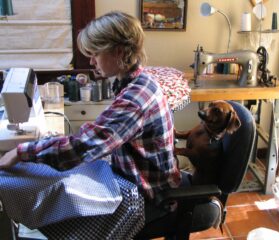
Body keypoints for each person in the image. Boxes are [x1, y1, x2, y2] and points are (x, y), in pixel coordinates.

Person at [0, 11, 181, 202]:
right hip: (139, 175)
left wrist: (21, 151)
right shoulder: (137, 81)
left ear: (118, 51)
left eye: (95, 53)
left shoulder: (134, 100)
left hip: (151, 196)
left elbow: (81, 146)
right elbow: (96, 136)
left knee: (63, 202)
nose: (91, 61)